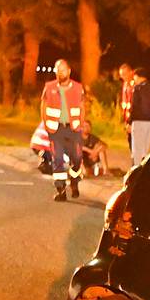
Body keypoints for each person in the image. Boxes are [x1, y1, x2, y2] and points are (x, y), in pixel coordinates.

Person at [40, 59, 86, 202]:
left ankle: (74, 179)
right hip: (56, 129)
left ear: (69, 71)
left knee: (77, 158)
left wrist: (81, 124)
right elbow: (43, 106)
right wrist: (46, 124)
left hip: (74, 129)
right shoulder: (49, 87)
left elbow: (82, 107)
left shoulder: (78, 88)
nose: (61, 73)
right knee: (58, 159)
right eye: (58, 70)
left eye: (63, 70)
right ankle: (61, 189)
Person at [128, 66, 150, 167]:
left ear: (137, 76)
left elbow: (134, 106)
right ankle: (145, 170)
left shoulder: (138, 89)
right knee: (146, 149)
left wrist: (129, 122)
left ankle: (136, 171)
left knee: (137, 149)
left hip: (138, 121)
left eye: (134, 77)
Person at [118, 63, 136, 150]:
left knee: (136, 142)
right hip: (127, 118)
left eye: (124, 74)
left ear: (131, 72)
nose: (123, 77)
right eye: (121, 75)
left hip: (135, 118)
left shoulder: (136, 85)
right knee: (130, 140)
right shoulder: (125, 85)